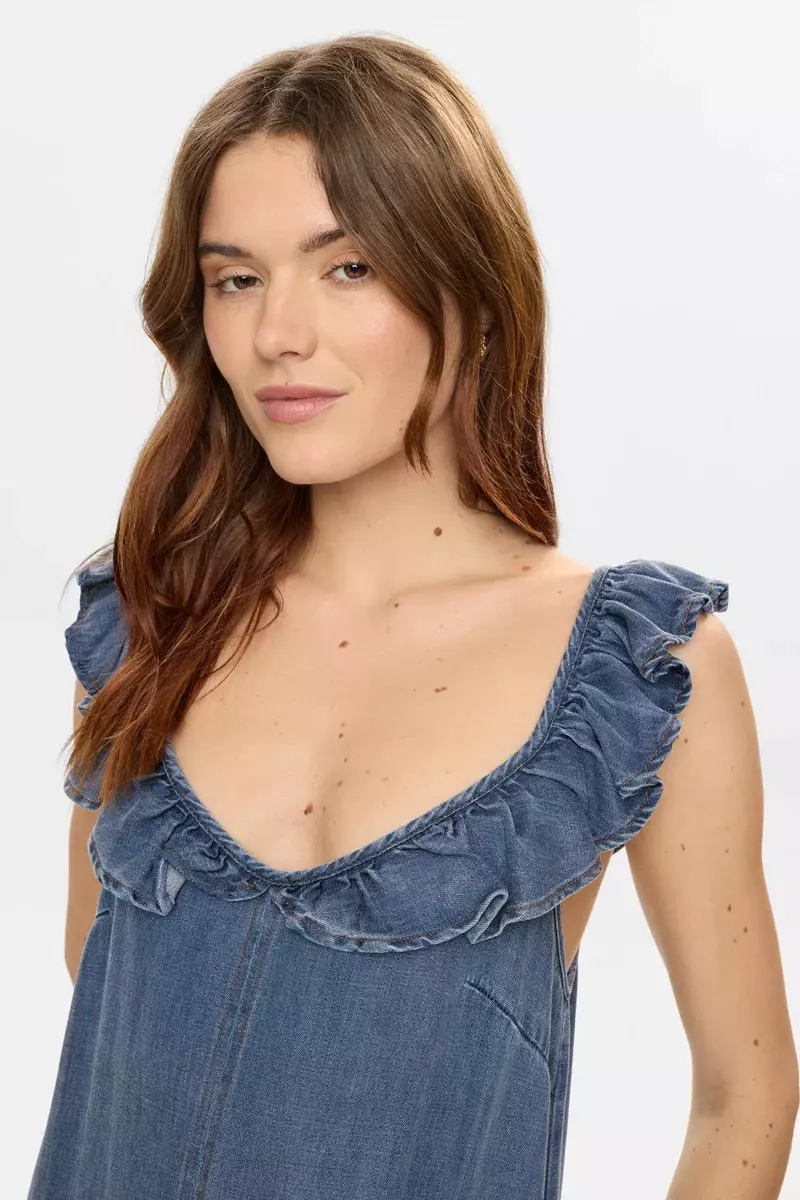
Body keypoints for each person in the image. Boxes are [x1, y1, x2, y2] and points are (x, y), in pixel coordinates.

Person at [29, 31, 797, 1200]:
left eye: (346, 268)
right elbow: (107, 996)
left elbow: (743, 1095)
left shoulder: (633, 671)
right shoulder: (152, 618)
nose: (277, 334)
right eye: (235, 278)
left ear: (468, 288)